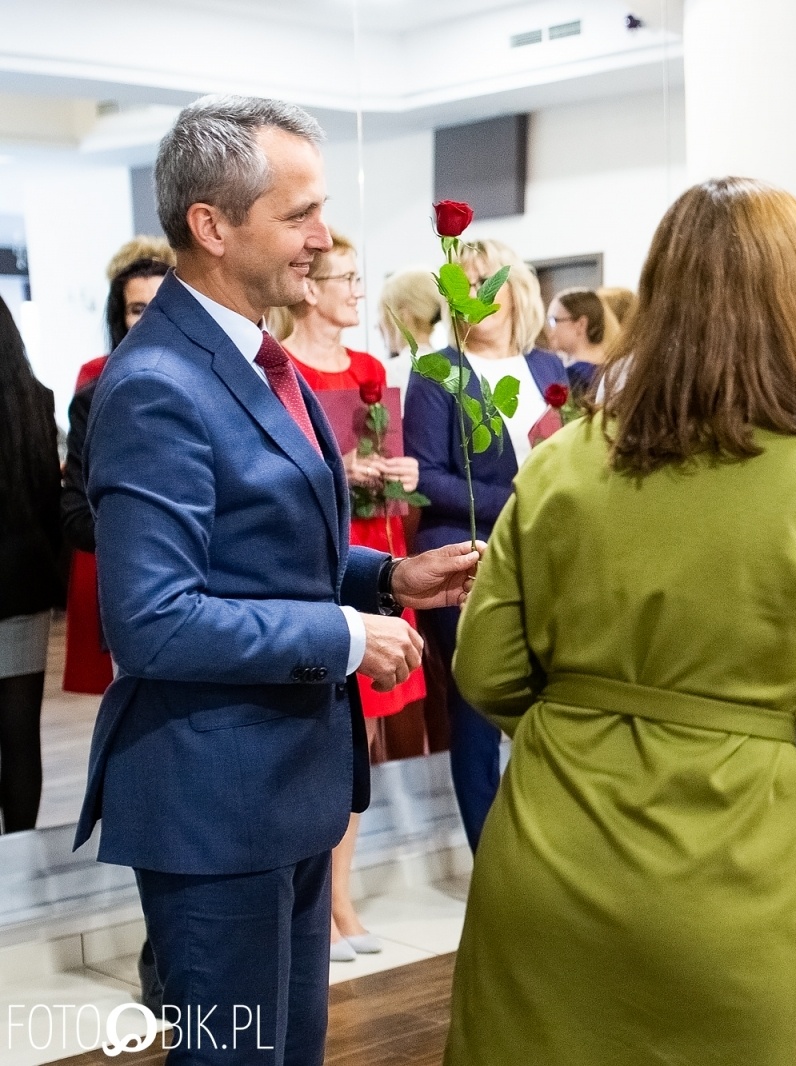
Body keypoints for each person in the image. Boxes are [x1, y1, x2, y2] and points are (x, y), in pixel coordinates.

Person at [442, 175, 796, 1066]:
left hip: (545, 860)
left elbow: (483, 669)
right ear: (792, 303)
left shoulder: (563, 466)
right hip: (724, 875)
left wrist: (591, 719)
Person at [75, 95, 479, 1066]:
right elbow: (155, 621)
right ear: (212, 227)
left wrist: (390, 574)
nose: (322, 236)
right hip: (212, 800)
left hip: (284, 784)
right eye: (298, 214)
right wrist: (346, 635)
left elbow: (263, 544)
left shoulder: (257, 357)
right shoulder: (155, 383)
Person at [273, 230, 428, 962]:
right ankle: (323, 901)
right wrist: (344, 469)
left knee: (363, 740)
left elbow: (406, 479)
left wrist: (398, 471)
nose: (358, 291)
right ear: (311, 287)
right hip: (321, 568)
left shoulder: (369, 367)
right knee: (329, 738)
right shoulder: (285, 368)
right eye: (346, 278)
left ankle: (343, 894)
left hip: (376, 553)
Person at [403, 237, 566, 853]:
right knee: (476, 713)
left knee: (551, 707)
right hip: (468, 558)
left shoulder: (548, 369)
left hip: (548, 559)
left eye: (488, 281)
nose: (478, 297)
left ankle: (546, 850)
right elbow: (429, 478)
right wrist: (527, 501)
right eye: (463, 285)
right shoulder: (436, 370)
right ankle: (489, 858)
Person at [61, 243, 175, 696]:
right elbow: (74, 512)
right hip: (135, 595)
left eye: (159, 306)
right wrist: (143, 536)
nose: (147, 320)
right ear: (120, 318)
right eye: (136, 309)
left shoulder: (222, 386)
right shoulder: (95, 397)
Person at [0, 295, 62, 834]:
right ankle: (17, 849)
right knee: (20, 733)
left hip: (21, 581)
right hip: (23, 584)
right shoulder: (34, 400)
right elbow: (49, 501)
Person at [544, 287, 617, 395]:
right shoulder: (615, 370)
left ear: (580, 325)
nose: (550, 330)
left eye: (553, 321)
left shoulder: (572, 376)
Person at [377, 267, 444, 367]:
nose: (379, 326)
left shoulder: (389, 373)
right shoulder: (454, 368)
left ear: (402, 317)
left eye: (385, 315)